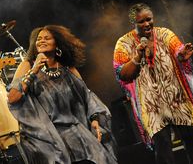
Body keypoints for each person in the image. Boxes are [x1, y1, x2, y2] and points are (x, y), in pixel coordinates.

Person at [113, 3, 193, 164]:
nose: (146, 24)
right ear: (133, 23)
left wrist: (181, 57)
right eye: (141, 21)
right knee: (163, 150)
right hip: (150, 105)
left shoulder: (165, 34)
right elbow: (122, 74)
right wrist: (137, 57)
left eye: (148, 19)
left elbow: (178, 50)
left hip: (176, 98)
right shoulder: (124, 44)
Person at [7, 25, 117, 164]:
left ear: (57, 43)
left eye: (47, 38)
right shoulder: (28, 65)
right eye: (39, 39)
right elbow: (13, 98)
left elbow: (87, 96)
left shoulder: (67, 68)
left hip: (76, 133)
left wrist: (94, 119)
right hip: (48, 139)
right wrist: (34, 71)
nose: (41, 41)